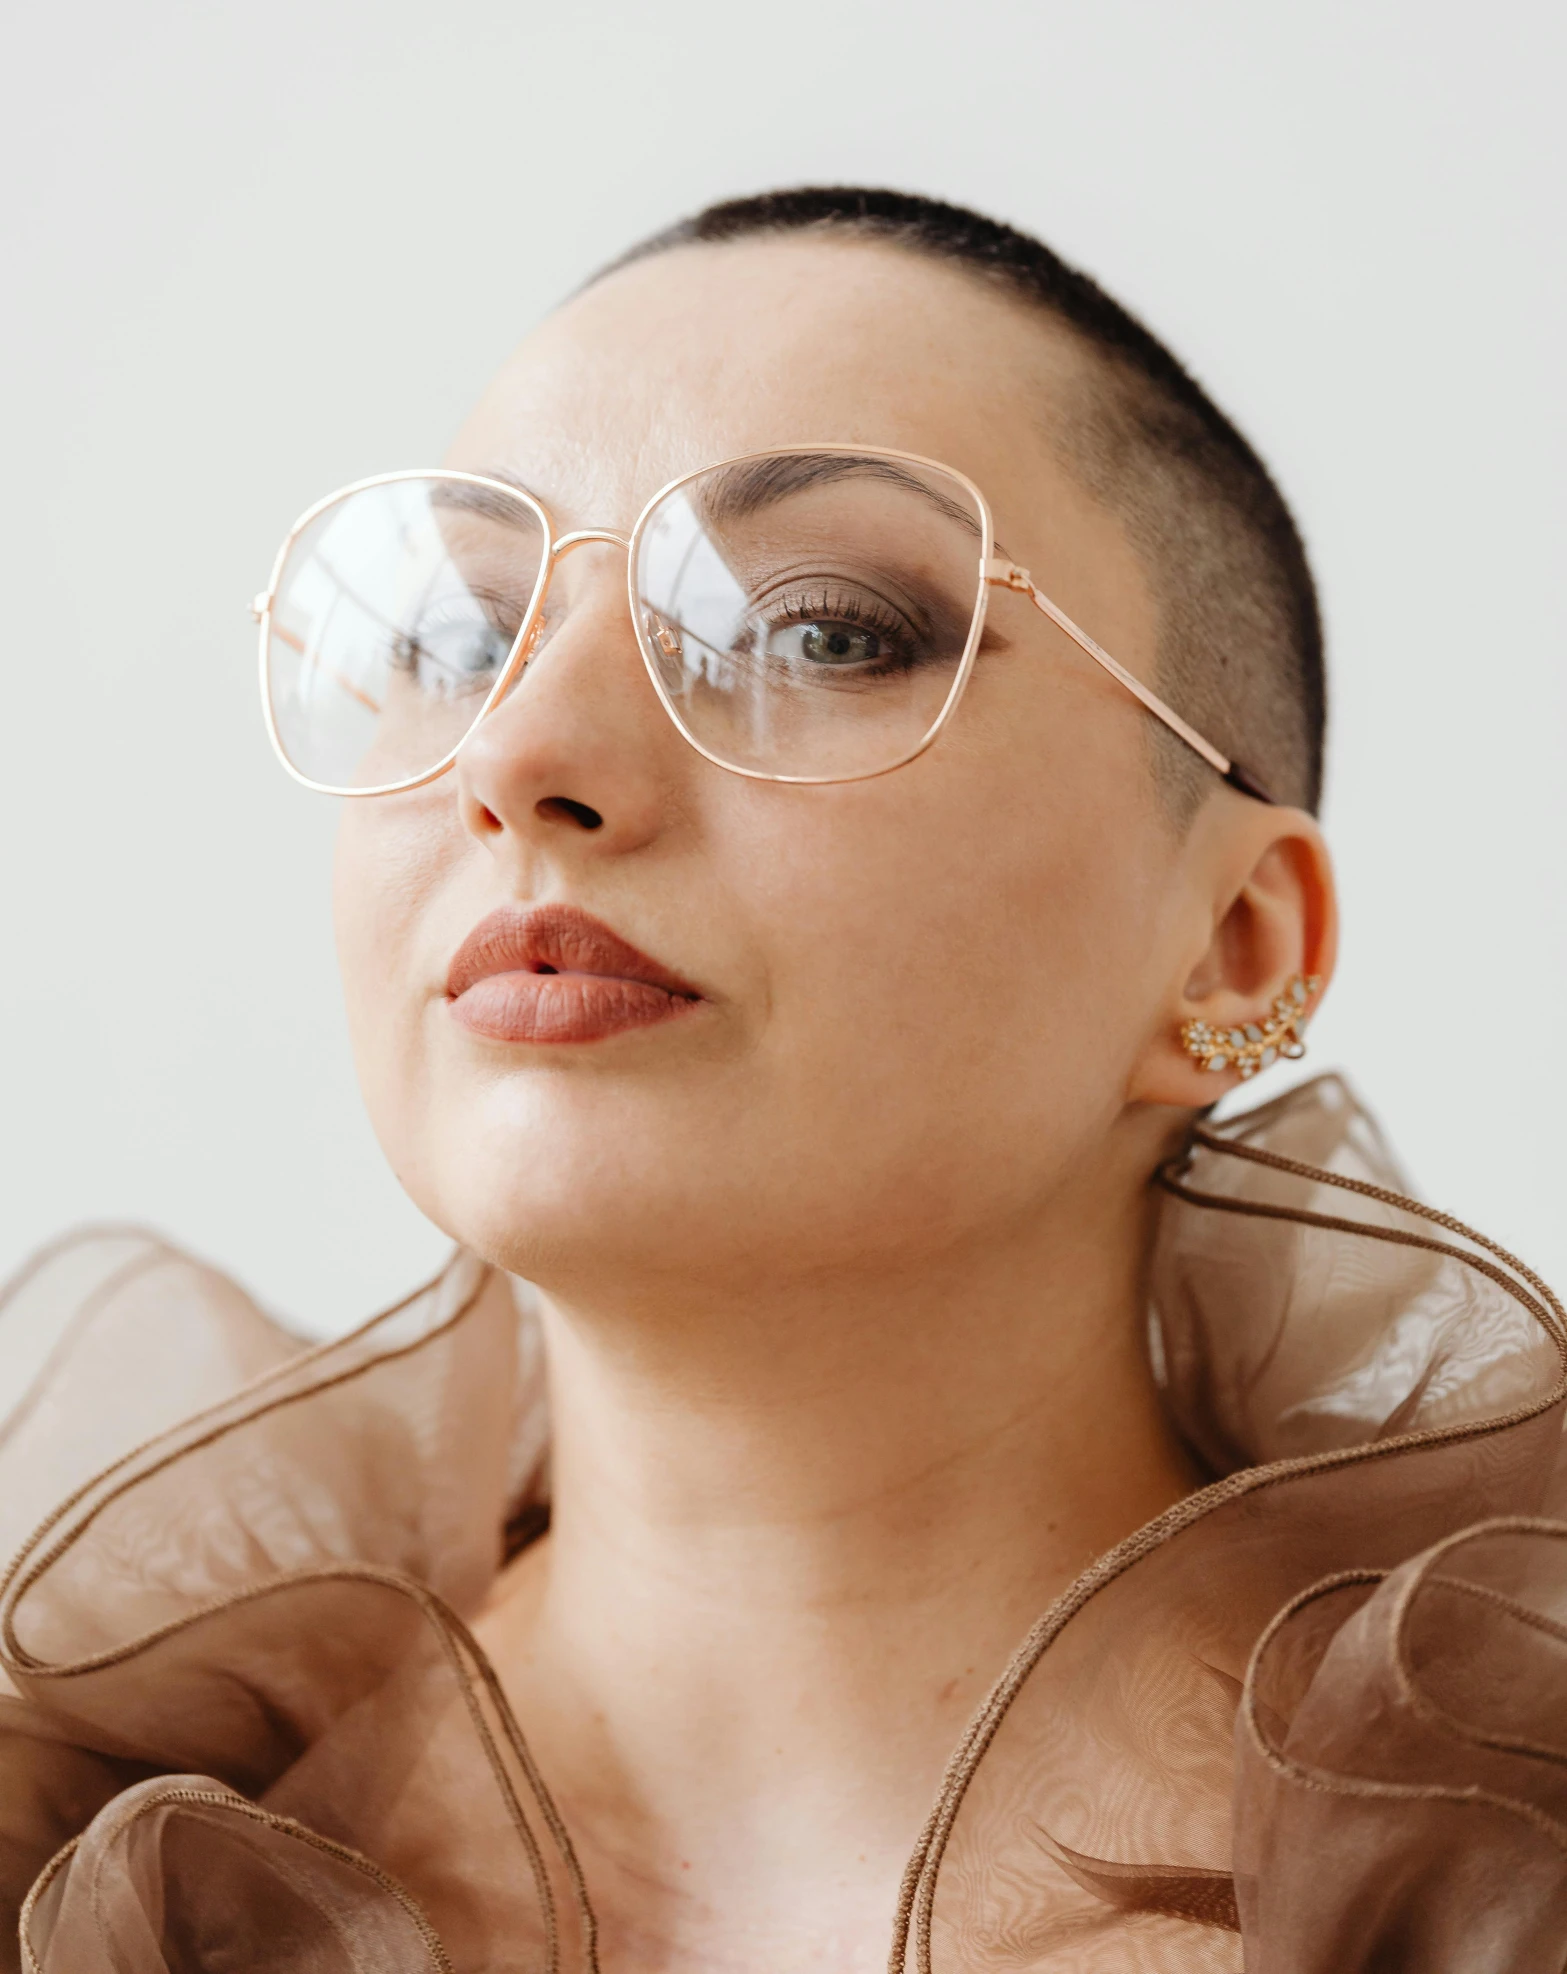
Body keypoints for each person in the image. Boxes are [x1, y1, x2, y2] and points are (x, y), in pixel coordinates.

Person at [3, 189, 1564, 1973]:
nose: (514, 755)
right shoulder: (88, 1868)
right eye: (452, 638)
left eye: (817, 629)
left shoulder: (1502, 1869)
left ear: (1228, 943)